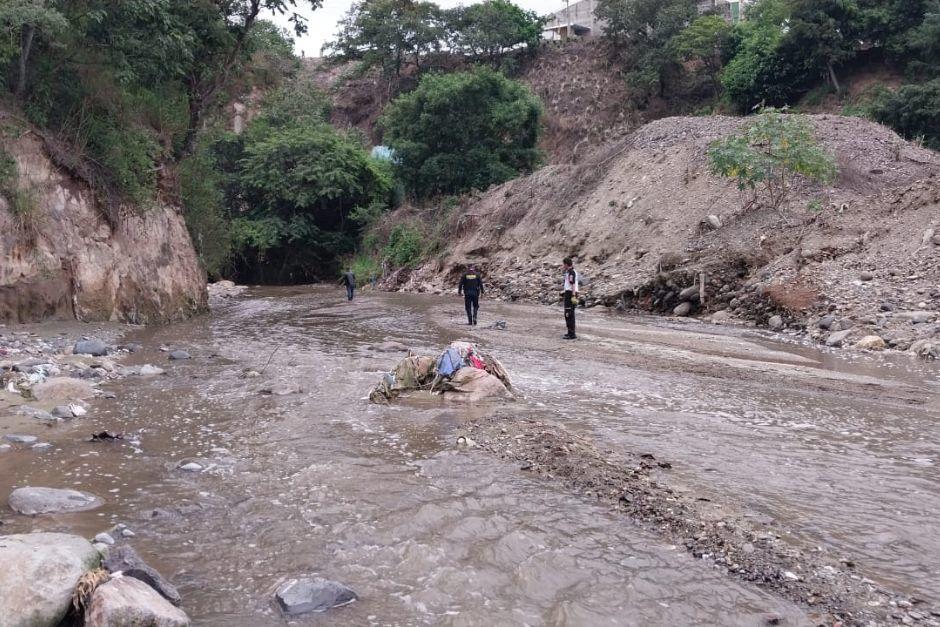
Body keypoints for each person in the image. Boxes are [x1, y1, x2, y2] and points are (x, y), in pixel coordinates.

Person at [562, 257, 579, 339]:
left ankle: (572, 334)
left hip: (570, 293)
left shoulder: (571, 272)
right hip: (569, 292)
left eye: (563, 264)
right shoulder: (569, 272)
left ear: (566, 264)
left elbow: (572, 284)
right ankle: (570, 332)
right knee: (568, 313)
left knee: (569, 314)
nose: (563, 266)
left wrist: (573, 295)